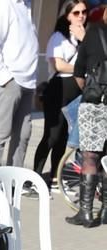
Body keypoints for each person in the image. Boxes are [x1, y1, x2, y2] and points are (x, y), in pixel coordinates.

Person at [33, 0, 88, 189]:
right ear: (67, 15)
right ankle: (36, 176)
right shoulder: (59, 37)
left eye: (84, 12)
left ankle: (55, 176)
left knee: (64, 135)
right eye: (76, 13)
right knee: (52, 134)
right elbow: (58, 64)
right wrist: (80, 68)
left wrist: (84, 40)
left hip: (75, 89)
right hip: (59, 87)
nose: (81, 16)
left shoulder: (84, 37)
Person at [0, 0, 39, 173]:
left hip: (27, 82)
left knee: (23, 135)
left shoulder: (26, 6)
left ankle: (13, 180)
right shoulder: (3, 4)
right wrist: (5, 78)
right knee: (0, 133)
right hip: (7, 81)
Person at [66, 5, 107, 227]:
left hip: (95, 103)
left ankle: (87, 213)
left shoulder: (93, 33)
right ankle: (106, 211)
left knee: (90, 156)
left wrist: (90, 92)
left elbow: (79, 72)